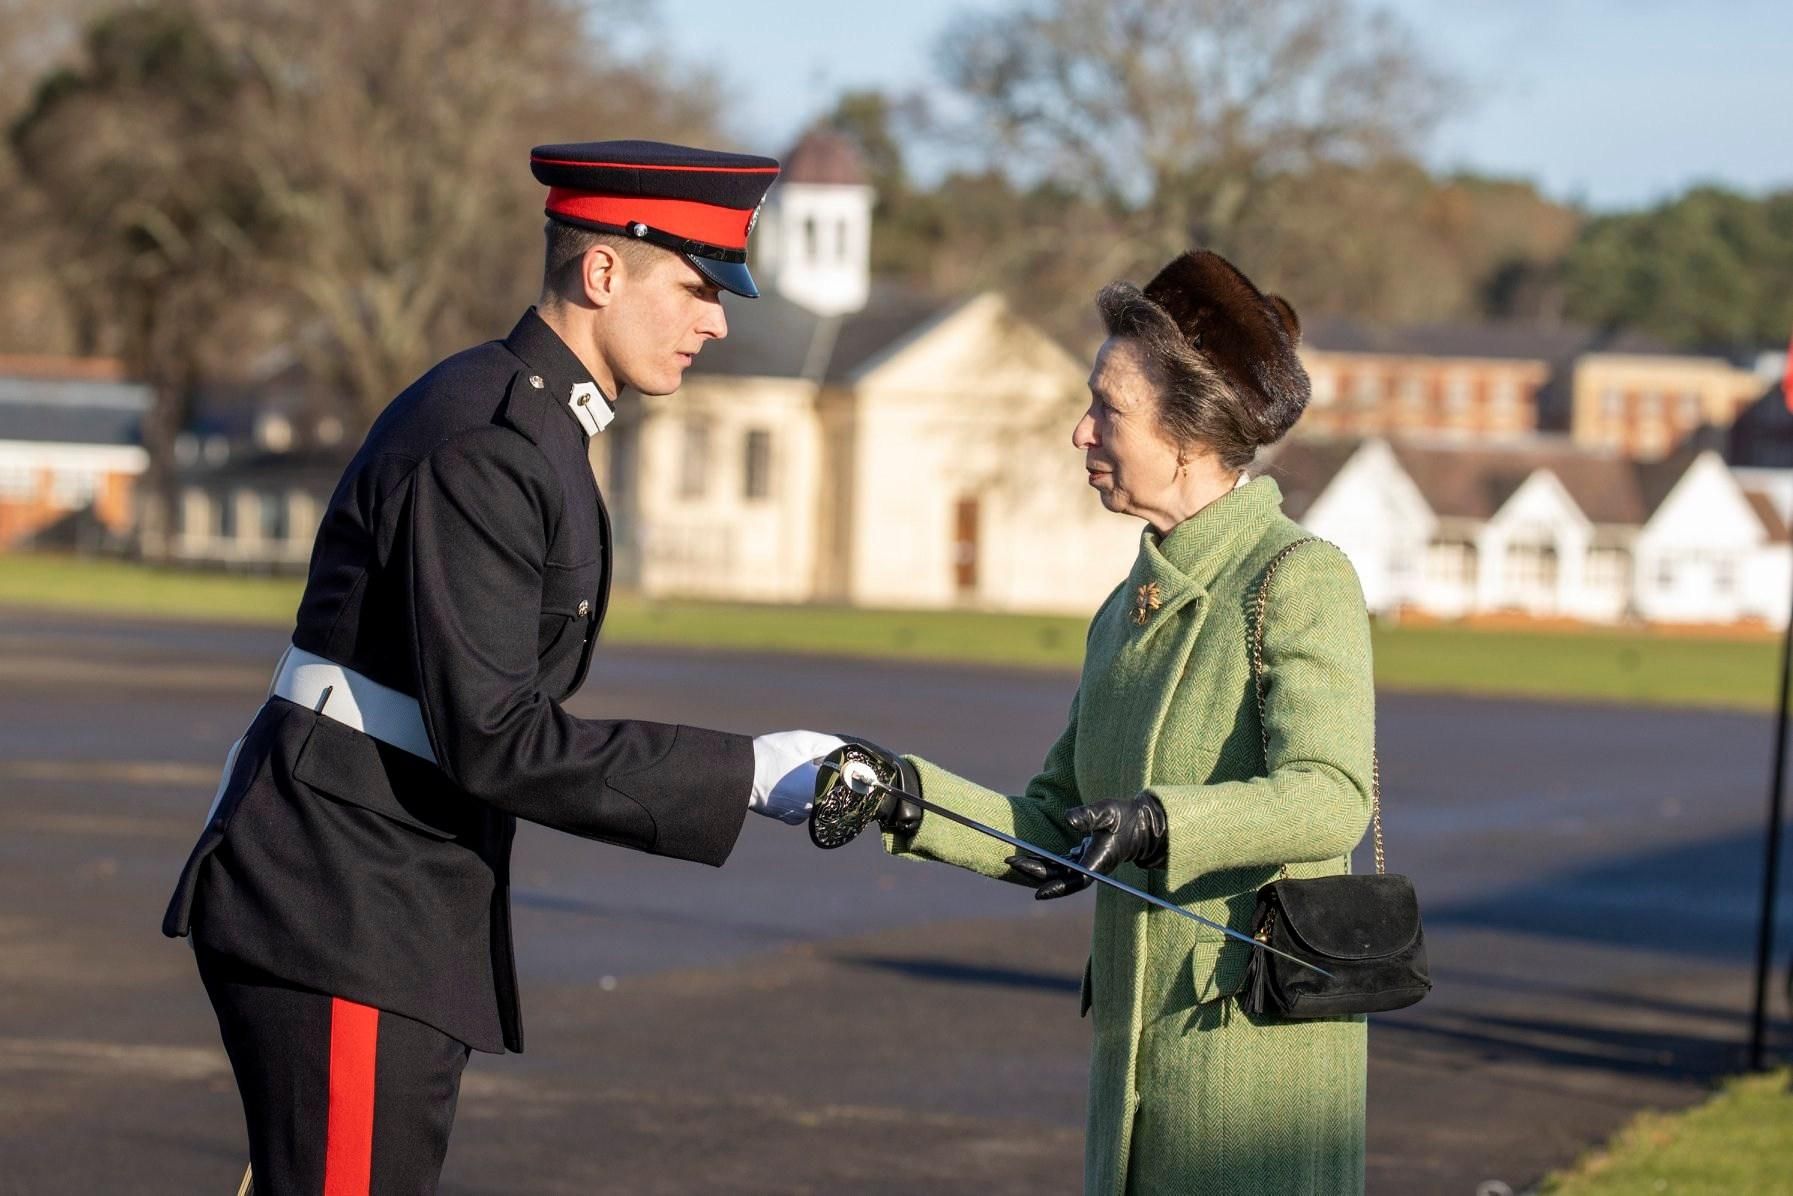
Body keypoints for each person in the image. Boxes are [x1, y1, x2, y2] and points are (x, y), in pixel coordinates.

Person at [162, 139, 849, 1193]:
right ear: (603, 270)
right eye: (695, 286)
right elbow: (495, 734)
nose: (716, 319)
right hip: (344, 900)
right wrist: (746, 775)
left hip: (380, 897)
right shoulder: (489, 441)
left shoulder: (531, 421)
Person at [849, 250, 1376, 1195]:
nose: (1079, 429)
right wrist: (902, 798)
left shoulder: (1298, 576)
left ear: (1187, 434)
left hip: (1250, 1068)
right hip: (1134, 1058)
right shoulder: (1125, 605)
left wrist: (1163, 821)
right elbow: (1060, 826)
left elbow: (1331, 796)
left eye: (1107, 408)